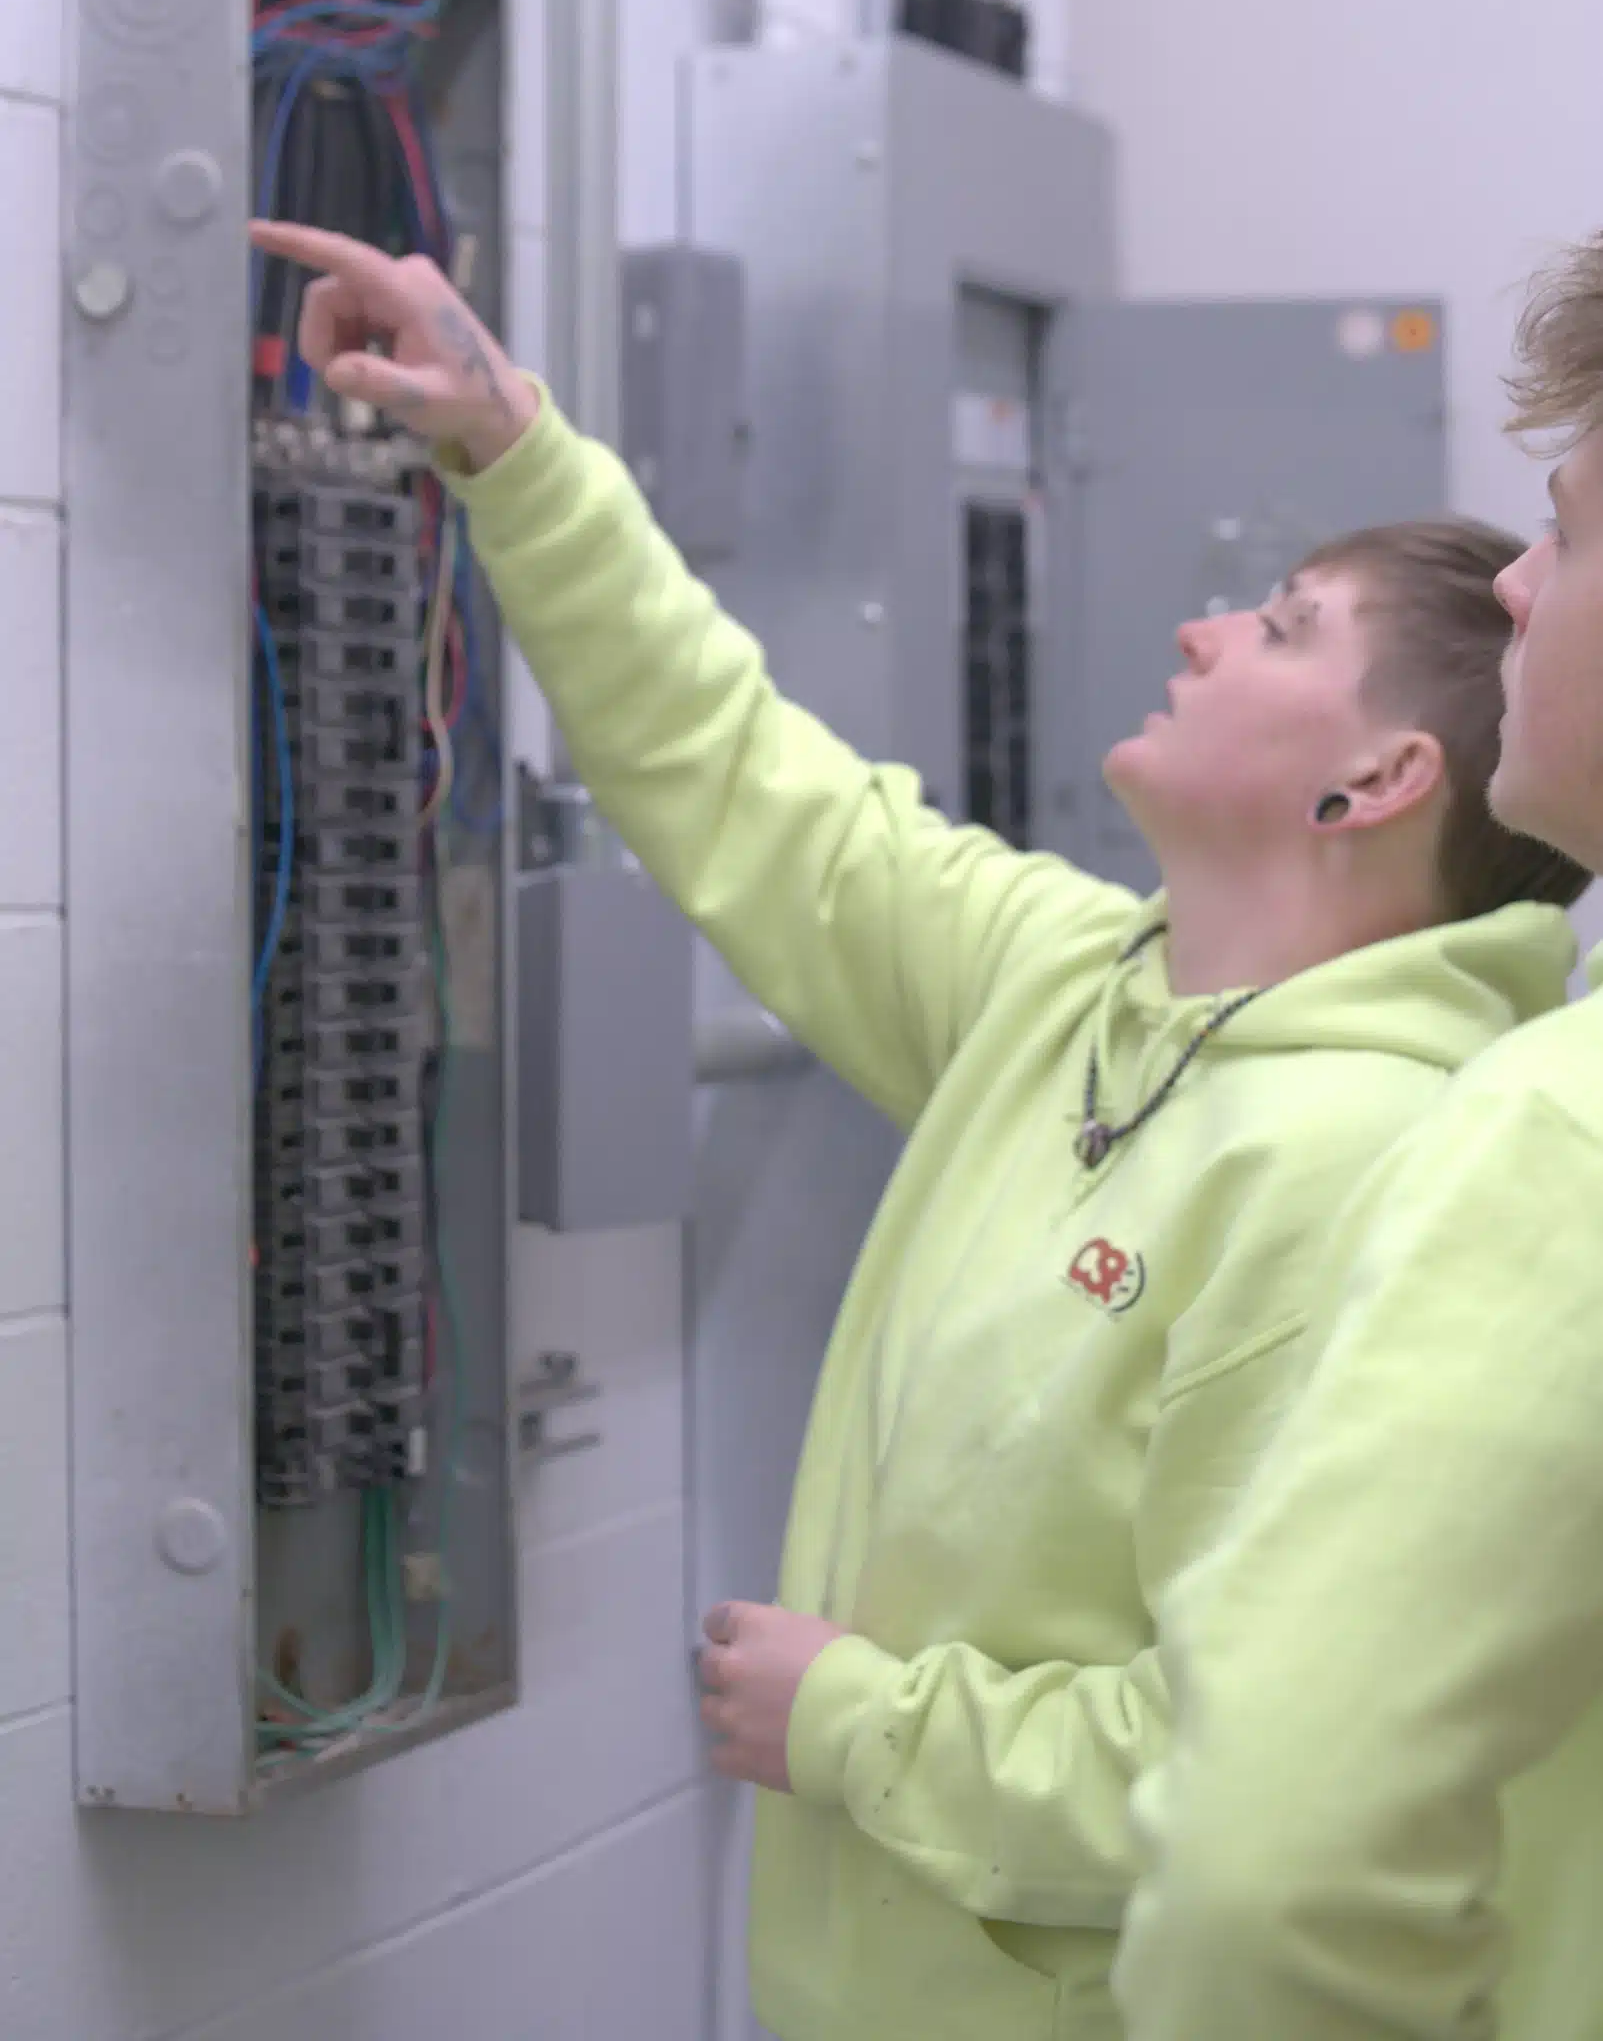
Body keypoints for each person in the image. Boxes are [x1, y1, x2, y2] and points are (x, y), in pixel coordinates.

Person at [250, 218, 1585, 2041]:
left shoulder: (1384, 1163)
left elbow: (1259, 1775)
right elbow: (752, 788)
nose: (1203, 625)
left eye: (1277, 628)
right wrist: (515, 451)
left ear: (1373, 782)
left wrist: (858, 1727)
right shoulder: (1076, 988)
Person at [1109, 236, 1603, 2041]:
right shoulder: (1084, 995)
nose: (1523, 592)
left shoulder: (1549, 1138)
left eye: (1568, 530)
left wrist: (860, 1732)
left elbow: (1269, 1878)